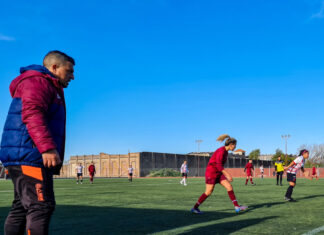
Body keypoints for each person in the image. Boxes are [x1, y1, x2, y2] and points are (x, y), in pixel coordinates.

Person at [0, 50, 75, 235]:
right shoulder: (39, 81)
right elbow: (32, 113)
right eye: (69, 71)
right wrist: (47, 147)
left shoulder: (45, 83)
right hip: (29, 155)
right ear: (55, 67)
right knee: (41, 206)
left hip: (24, 154)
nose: (72, 76)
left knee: (21, 206)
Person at [191, 134, 248, 214]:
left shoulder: (226, 152)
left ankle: (236, 206)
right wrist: (227, 174)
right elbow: (218, 165)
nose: (235, 147)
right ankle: (195, 208)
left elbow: (219, 166)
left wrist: (224, 173)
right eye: (235, 145)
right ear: (231, 145)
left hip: (218, 172)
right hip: (211, 173)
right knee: (208, 192)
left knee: (229, 186)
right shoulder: (221, 151)